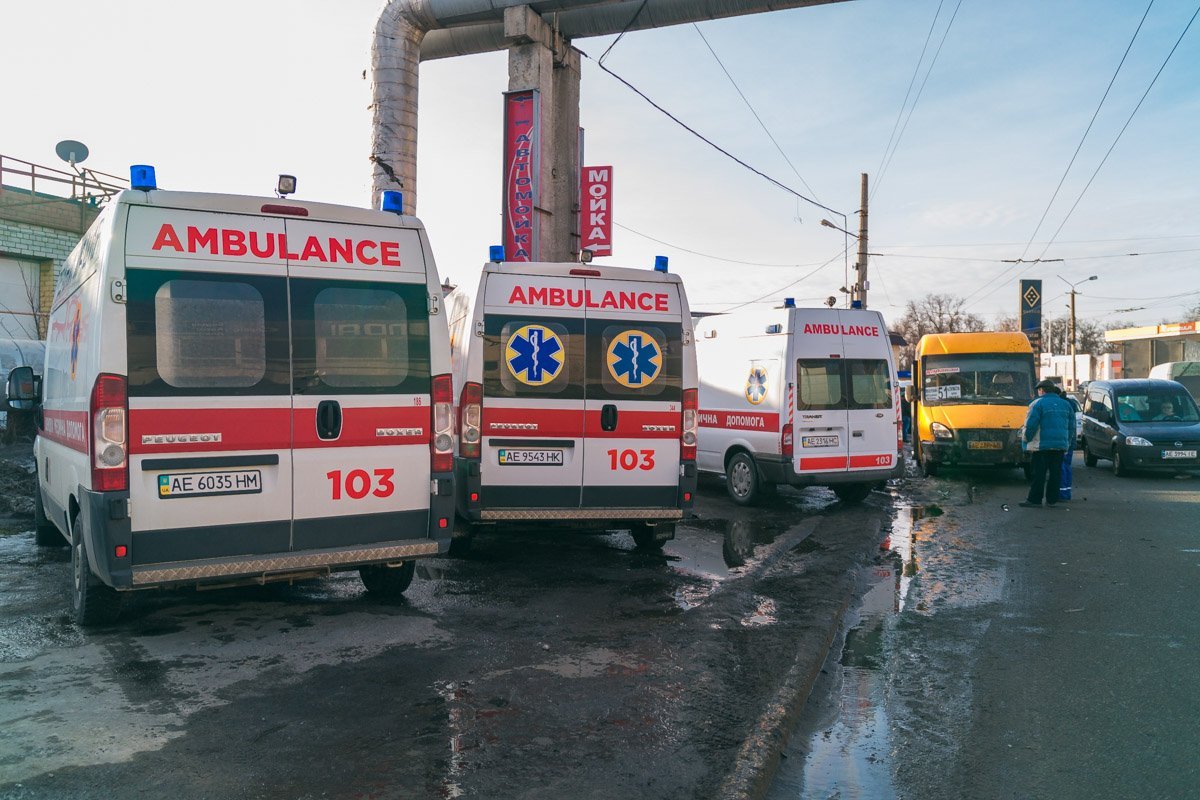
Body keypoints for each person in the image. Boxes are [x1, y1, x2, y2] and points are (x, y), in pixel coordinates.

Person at [1020, 379, 1076, 508]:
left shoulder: (1037, 404)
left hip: (1041, 446)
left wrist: (1025, 440)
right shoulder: (1065, 405)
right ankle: (1052, 500)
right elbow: (1071, 426)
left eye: (1039, 390)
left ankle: (1035, 500)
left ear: (1041, 390)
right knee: (1055, 473)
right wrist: (1066, 442)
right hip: (1060, 446)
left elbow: (1030, 425)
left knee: (1039, 473)